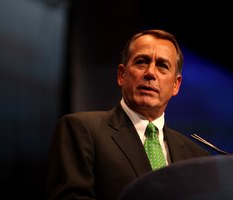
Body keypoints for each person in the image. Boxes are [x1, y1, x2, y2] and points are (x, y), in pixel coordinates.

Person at [46, 29, 211, 200]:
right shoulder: (81, 130)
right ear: (121, 75)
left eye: (162, 66)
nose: (150, 73)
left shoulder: (196, 156)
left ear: (176, 85)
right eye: (141, 62)